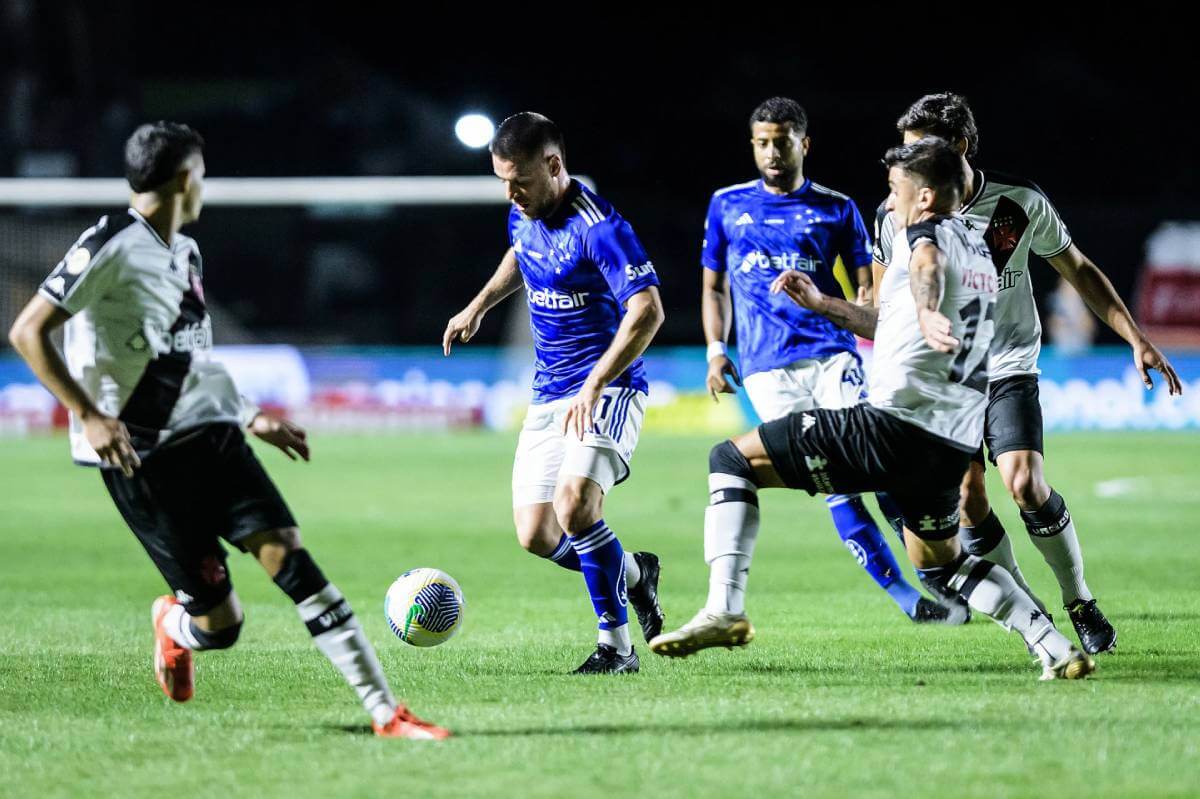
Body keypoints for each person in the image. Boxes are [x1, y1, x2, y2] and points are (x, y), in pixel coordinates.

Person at [7, 121, 449, 739]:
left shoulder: (186, 252)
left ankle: (386, 714)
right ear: (187, 177)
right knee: (223, 626)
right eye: (203, 172)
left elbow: (188, 359)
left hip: (212, 436)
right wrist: (88, 414)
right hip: (141, 458)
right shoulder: (109, 243)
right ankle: (175, 626)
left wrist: (250, 415)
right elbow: (28, 331)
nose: (205, 183)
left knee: (294, 562)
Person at [651, 137, 1094, 680]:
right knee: (943, 560)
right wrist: (823, 304)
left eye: (895, 189)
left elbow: (926, 268)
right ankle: (1052, 645)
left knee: (731, 460)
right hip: (946, 446)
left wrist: (929, 311)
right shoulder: (980, 251)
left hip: (892, 426)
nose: (888, 200)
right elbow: (888, 322)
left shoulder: (924, 236)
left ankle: (724, 608)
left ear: (926, 196)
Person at [875, 93, 1184, 654]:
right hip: (944, 377)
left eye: (919, 151)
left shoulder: (1017, 203)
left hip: (1008, 362)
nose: (907, 163)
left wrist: (1134, 337)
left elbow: (1079, 268)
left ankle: (1079, 599)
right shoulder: (894, 213)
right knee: (969, 500)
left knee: (1025, 483)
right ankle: (1028, 609)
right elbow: (879, 303)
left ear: (960, 148)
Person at [699, 96, 962, 627]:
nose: (772, 152)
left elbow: (868, 286)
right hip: (767, 369)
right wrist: (715, 350)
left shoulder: (836, 207)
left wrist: (872, 327)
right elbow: (713, 286)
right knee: (834, 483)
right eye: (763, 143)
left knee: (879, 460)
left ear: (804, 143)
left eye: (782, 141)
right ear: (753, 145)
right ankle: (908, 599)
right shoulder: (726, 205)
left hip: (832, 357)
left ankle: (934, 567)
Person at [443, 112, 666, 674]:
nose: (510, 192)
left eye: (518, 180)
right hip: (549, 394)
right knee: (536, 534)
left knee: (574, 506)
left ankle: (616, 649)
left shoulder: (601, 227)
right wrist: (478, 306)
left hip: (608, 389)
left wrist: (596, 381)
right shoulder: (523, 210)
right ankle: (635, 574)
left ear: (554, 166)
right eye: (502, 181)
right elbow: (522, 254)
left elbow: (648, 310)